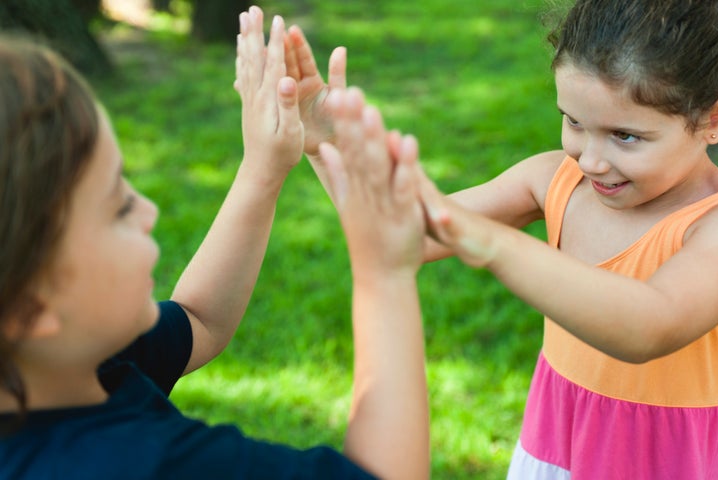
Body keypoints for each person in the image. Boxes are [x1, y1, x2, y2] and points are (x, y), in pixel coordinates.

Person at [283, 0, 718, 478]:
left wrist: (491, 243)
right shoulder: (555, 179)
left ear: (712, 121)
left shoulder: (710, 226)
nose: (590, 159)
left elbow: (649, 325)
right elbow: (401, 235)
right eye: (574, 122)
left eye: (625, 136)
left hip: (671, 463)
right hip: (557, 447)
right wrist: (329, 148)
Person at [0, 5, 430, 479]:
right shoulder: (145, 465)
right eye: (119, 207)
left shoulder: (58, 367)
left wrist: (264, 167)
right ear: (30, 308)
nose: (149, 211)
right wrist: (383, 274)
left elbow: (199, 320)